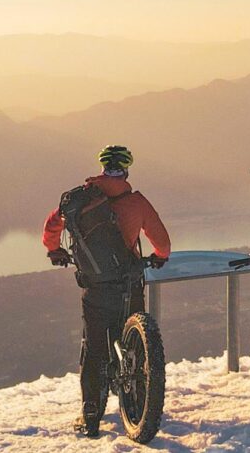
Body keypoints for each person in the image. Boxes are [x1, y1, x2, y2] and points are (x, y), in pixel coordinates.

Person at [42, 145, 171, 438]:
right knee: (137, 343)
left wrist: (55, 250)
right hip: (128, 286)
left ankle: (90, 415)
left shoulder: (79, 199)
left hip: (96, 288)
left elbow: (51, 227)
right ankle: (140, 404)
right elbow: (162, 242)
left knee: (94, 348)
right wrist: (159, 257)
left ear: (101, 168)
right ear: (126, 170)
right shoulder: (136, 202)